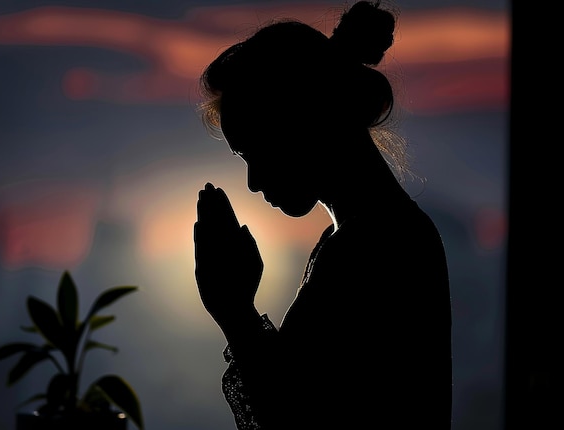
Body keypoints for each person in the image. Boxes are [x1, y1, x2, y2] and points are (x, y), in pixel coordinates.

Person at [193, 1, 452, 429]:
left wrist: (235, 310)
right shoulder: (360, 237)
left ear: (302, 124)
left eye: (255, 152)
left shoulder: (377, 245)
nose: (254, 183)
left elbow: (295, 413)